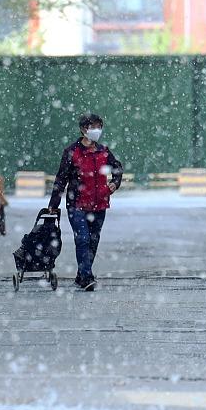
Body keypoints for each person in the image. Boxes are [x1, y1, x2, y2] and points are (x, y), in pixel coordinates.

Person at [48, 113, 123, 291]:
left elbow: (117, 168)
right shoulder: (72, 152)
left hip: (99, 204)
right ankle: (87, 277)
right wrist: (53, 203)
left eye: (99, 127)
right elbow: (61, 179)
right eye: (93, 127)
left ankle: (82, 274)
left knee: (93, 240)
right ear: (83, 129)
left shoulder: (103, 151)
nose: (97, 130)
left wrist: (114, 183)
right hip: (77, 204)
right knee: (82, 238)